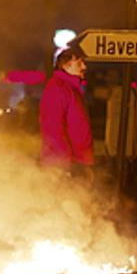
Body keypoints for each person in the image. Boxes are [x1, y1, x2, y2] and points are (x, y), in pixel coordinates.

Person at [39, 48, 94, 181]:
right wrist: (64, 164)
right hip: (64, 165)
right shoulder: (58, 88)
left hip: (75, 162)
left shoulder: (70, 88)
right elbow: (53, 128)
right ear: (66, 65)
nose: (84, 66)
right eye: (79, 62)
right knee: (66, 200)